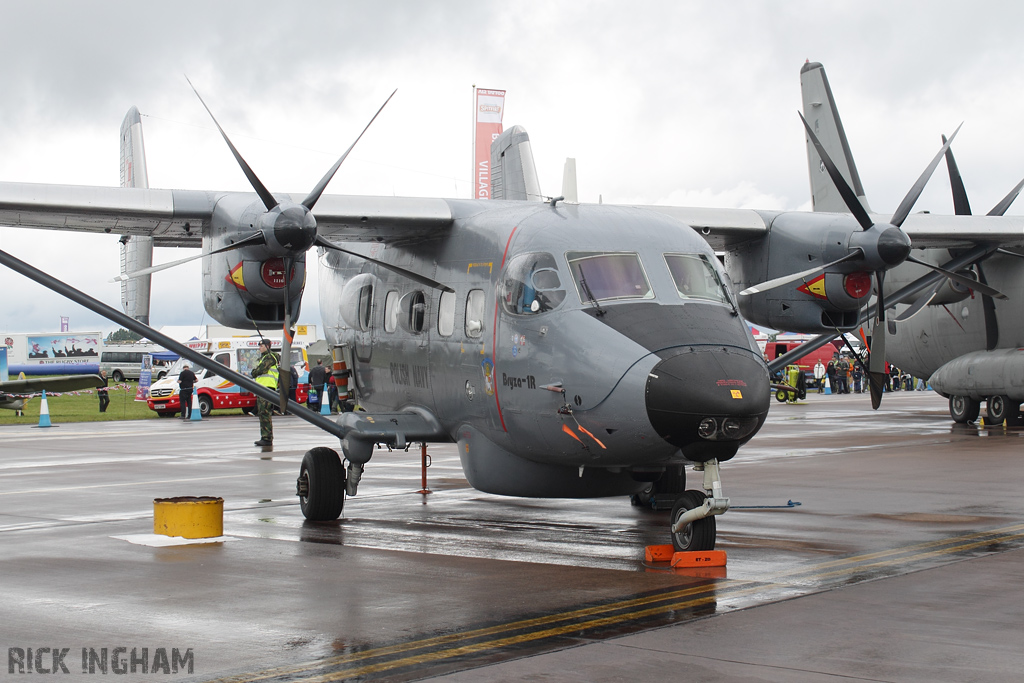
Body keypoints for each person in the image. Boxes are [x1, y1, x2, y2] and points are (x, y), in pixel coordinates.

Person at [251, 339, 280, 446]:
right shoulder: (265, 357)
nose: (259, 347)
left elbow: (260, 370)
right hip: (263, 387)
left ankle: (267, 437)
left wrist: (254, 372)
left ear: (267, 346)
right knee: (262, 412)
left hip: (267, 388)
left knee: (264, 412)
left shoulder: (270, 357)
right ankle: (265, 436)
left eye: (261, 345)